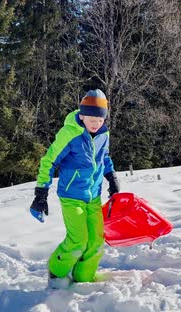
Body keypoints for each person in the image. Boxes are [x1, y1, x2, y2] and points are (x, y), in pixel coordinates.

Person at [29, 89, 120, 288]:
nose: (96, 123)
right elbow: (49, 161)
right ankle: (56, 271)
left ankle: (83, 280)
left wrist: (111, 178)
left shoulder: (103, 134)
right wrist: (41, 193)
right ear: (82, 115)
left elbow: (104, 157)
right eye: (92, 119)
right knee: (78, 240)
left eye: (100, 119)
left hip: (93, 196)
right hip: (72, 196)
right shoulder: (70, 133)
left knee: (96, 243)